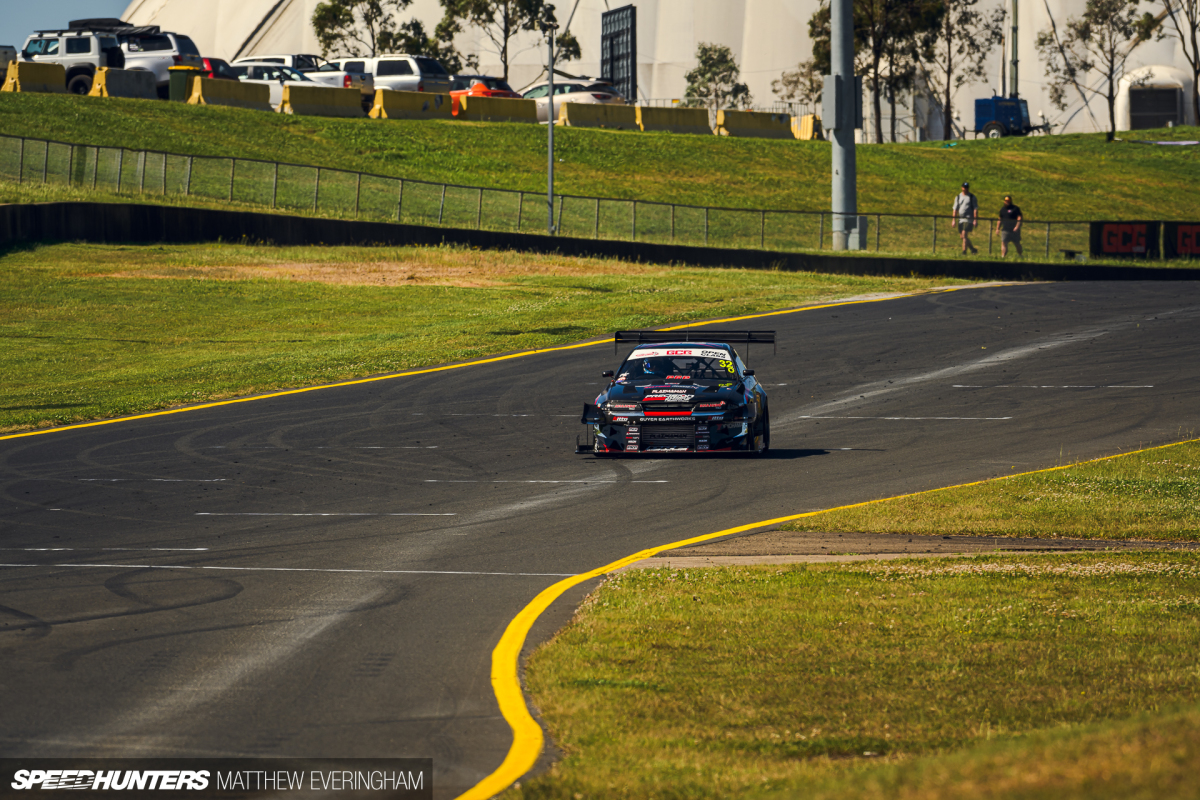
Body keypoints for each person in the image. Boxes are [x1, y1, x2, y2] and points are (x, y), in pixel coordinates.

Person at [952, 182, 979, 254]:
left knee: (964, 235)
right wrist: (953, 220)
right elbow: (955, 209)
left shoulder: (971, 197)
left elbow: (975, 209)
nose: (965, 189)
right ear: (962, 188)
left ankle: (964, 251)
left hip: (968, 219)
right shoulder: (958, 197)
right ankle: (972, 249)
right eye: (964, 187)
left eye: (966, 187)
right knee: (962, 237)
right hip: (960, 219)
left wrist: (975, 220)